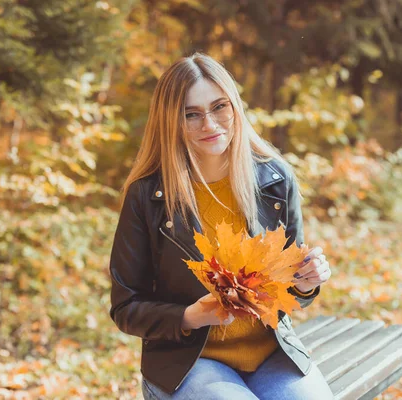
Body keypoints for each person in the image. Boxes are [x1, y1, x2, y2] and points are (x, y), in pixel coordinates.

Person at [109, 53, 333, 400]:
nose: (210, 125)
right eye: (191, 114)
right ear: (171, 122)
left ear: (235, 107)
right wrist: (189, 316)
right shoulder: (147, 195)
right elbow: (126, 307)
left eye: (219, 107)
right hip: (187, 362)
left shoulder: (274, 180)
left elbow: (288, 291)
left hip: (272, 354)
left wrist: (306, 283)